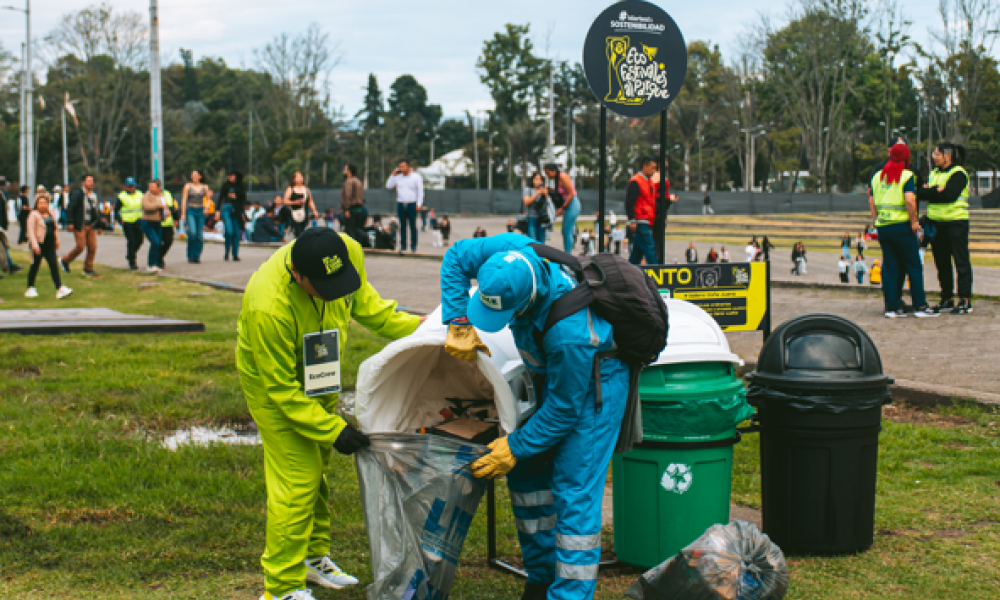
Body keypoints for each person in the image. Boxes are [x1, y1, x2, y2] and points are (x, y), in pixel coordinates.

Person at [439, 233, 629, 600]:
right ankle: (541, 579)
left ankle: (570, 593)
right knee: (526, 472)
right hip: (549, 375)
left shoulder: (570, 332)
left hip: (595, 388)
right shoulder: (508, 253)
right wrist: (458, 319)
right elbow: (456, 257)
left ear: (525, 304)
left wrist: (514, 446)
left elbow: (563, 410)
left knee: (574, 490)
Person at [236, 228, 420, 600]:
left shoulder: (346, 250)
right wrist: (334, 429)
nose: (336, 294)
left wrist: (429, 329)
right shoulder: (267, 307)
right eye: (325, 288)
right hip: (275, 384)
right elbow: (282, 391)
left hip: (320, 370)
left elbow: (372, 309)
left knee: (316, 465)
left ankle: (312, 557)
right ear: (297, 275)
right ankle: (281, 587)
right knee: (297, 477)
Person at [869, 142, 937, 318]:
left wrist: (877, 221)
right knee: (914, 266)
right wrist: (914, 221)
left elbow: (871, 201)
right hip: (902, 226)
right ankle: (920, 306)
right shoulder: (907, 176)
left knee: (890, 268)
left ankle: (891, 308)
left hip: (884, 227)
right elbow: (909, 200)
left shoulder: (877, 177)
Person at [918, 142, 973, 314]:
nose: (934, 157)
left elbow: (949, 195)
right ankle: (946, 298)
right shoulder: (934, 173)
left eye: (937, 154)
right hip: (936, 224)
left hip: (955, 223)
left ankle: (965, 299)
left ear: (947, 156)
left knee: (961, 262)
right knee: (942, 263)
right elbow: (921, 193)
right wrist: (937, 190)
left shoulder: (958, 173)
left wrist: (931, 192)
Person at [25, 195, 73, 299]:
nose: (42, 205)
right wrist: (35, 246)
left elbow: (55, 228)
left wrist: (57, 240)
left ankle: (59, 288)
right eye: (40, 203)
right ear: (36, 204)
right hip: (39, 244)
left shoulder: (51, 213)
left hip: (50, 245)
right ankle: (30, 288)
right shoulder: (33, 215)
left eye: (44, 203)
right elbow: (30, 231)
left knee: (54, 266)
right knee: (35, 266)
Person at [60, 174, 100, 276]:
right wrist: (70, 222)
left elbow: (96, 212)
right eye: (88, 181)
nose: (91, 183)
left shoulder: (94, 195)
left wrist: (99, 225)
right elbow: (71, 208)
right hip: (80, 224)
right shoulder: (78, 194)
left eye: (92, 181)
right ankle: (65, 260)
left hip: (90, 225)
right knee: (80, 246)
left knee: (93, 247)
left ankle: (88, 268)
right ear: (83, 183)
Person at [625, 157, 659, 265]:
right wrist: (632, 220)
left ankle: (630, 270)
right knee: (649, 248)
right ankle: (656, 271)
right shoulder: (636, 181)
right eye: (653, 168)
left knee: (637, 253)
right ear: (645, 166)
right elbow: (629, 202)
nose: (654, 171)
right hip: (641, 220)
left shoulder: (649, 182)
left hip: (646, 220)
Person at [385, 159, 423, 252]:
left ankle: (413, 247)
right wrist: (393, 174)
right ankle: (403, 247)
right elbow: (388, 186)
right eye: (400, 167)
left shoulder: (416, 177)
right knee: (402, 226)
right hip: (401, 204)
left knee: (412, 226)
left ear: (408, 167)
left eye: (403, 166)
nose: (401, 168)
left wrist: (419, 204)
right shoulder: (398, 177)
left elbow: (420, 192)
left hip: (412, 204)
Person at [543, 163, 580, 254]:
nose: (547, 176)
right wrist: (551, 190)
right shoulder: (557, 179)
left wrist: (561, 208)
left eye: (548, 173)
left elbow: (571, 194)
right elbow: (562, 193)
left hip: (572, 204)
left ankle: (568, 254)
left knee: (567, 230)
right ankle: (567, 252)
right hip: (567, 205)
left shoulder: (562, 176)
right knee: (564, 230)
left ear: (554, 170)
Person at [181, 170, 210, 264]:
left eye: (196, 175)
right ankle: (190, 255)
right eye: (192, 175)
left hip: (200, 210)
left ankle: (197, 256)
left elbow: (208, 199)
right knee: (192, 233)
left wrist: (207, 208)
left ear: (200, 176)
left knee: (199, 235)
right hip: (190, 210)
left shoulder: (205, 187)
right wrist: (183, 214)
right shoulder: (187, 186)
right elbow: (184, 200)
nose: (193, 177)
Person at [117, 177, 144, 270]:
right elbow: (116, 210)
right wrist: (119, 220)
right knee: (132, 241)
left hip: (138, 221)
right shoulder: (122, 196)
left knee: (139, 241)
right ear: (126, 187)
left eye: (132, 186)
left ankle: (130, 254)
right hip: (127, 222)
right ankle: (132, 261)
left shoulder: (140, 194)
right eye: (129, 186)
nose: (131, 188)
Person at [219, 171, 247, 261]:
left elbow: (244, 199)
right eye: (229, 175)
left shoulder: (241, 187)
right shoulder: (225, 185)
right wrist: (217, 210)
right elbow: (220, 197)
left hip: (237, 210)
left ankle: (235, 254)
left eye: (232, 175)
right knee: (229, 232)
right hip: (226, 208)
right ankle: (226, 252)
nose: (230, 177)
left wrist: (236, 197)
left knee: (236, 234)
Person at [140, 180, 166, 274]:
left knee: (158, 243)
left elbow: (165, 206)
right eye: (150, 186)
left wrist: (167, 211)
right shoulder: (146, 196)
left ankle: (156, 264)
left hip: (158, 222)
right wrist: (158, 205)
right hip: (147, 222)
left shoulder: (161, 196)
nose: (151, 188)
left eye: (153, 187)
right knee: (154, 242)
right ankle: (150, 265)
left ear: (159, 187)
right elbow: (147, 207)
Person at [283, 171, 319, 239]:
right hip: (294, 214)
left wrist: (314, 210)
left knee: (303, 231)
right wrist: (295, 202)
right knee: (297, 232)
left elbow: (310, 201)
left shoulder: (306, 189)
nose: (300, 178)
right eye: (298, 177)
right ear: (293, 179)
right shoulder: (290, 189)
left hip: (304, 214)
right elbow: (285, 201)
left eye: (301, 176)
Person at [340, 165, 366, 244]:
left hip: (351, 209)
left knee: (349, 230)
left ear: (349, 171)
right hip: (359, 209)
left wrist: (346, 209)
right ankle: (365, 236)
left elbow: (348, 195)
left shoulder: (349, 181)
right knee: (354, 228)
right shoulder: (358, 181)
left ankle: (356, 243)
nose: (344, 172)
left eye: (345, 170)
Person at [522, 172, 551, 243]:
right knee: (532, 242)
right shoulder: (528, 190)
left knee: (541, 243)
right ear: (532, 180)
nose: (538, 181)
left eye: (540, 179)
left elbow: (549, 205)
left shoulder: (544, 191)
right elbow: (526, 202)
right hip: (531, 219)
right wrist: (538, 193)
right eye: (536, 179)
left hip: (542, 220)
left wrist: (546, 195)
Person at [159, 187, 177, 269]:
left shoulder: (168, 193)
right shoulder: (150, 195)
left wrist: (176, 218)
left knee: (168, 242)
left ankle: (159, 256)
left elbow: (173, 207)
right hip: (157, 223)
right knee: (157, 243)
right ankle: (158, 260)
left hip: (168, 223)